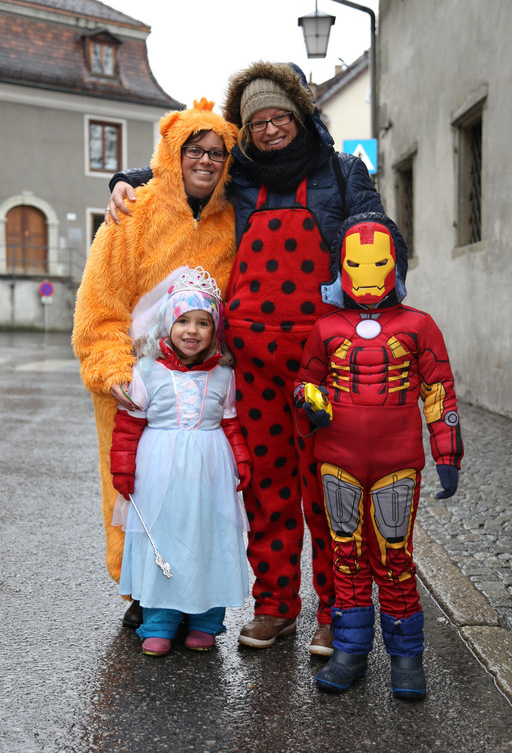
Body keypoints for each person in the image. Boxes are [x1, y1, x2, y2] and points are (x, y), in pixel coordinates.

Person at [106, 61, 405, 656]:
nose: (269, 129)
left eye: (278, 117)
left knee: (328, 488)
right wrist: (123, 180)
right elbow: (182, 171)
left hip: (324, 363)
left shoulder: (342, 171)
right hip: (255, 363)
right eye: (257, 122)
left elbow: (377, 230)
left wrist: (380, 269)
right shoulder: (239, 173)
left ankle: (337, 610)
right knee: (267, 491)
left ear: (299, 115)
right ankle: (275, 606)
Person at [72, 99, 239, 630]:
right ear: (174, 151)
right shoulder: (133, 212)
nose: (206, 160)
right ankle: (144, 590)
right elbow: (99, 306)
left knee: (197, 498)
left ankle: (196, 592)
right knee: (138, 490)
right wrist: (114, 371)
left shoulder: (231, 219)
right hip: (137, 382)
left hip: (202, 378)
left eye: (216, 152)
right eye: (194, 149)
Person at [294, 212, 464, 698]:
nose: (367, 274)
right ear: (340, 268)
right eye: (355, 264)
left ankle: (407, 658)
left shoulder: (419, 326)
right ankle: (350, 650)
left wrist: (448, 453)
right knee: (346, 556)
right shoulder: (325, 328)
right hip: (338, 462)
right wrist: (310, 402)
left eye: (377, 262)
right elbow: (305, 384)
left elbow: (438, 392)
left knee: (394, 557)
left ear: (395, 264)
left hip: (396, 464)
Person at [110, 266, 251, 656]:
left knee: (210, 538)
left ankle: (205, 621)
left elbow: (231, 422)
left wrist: (241, 460)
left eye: (203, 323)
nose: (192, 331)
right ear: (167, 324)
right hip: (159, 470)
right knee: (165, 537)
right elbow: (129, 424)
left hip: (211, 471)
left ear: (215, 329)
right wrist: (123, 468)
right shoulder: (147, 371)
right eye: (183, 321)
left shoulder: (223, 375)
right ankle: (160, 621)